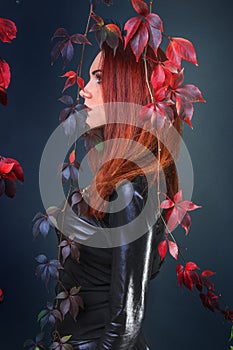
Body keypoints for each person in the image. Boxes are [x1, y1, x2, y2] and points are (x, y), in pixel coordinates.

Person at [54, 39, 182, 349]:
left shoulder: (131, 187)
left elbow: (126, 323)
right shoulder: (111, 172)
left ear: (128, 88)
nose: (85, 89)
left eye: (99, 78)